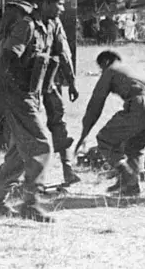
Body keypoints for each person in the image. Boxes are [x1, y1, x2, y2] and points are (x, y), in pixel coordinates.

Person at [0, 0, 66, 222]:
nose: (61, 8)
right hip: (18, 96)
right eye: (57, 3)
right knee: (41, 145)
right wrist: (1, 99)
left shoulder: (50, 26)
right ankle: (31, 203)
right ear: (44, 3)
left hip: (33, 96)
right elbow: (7, 61)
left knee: (19, 153)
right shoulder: (26, 27)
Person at [75, 51, 145, 196]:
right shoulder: (137, 68)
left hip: (141, 105)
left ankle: (127, 175)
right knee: (134, 147)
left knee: (105, 139)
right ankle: (131, 187)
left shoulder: (110, 70)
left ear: (105, 62)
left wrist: (84, 134)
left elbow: (96, 103)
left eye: (101, 67)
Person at [0, 0, 37, 149]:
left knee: (4, 107)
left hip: (10, 66)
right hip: (30, 73)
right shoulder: (38, 14)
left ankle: (4, 146)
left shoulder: (13, 10)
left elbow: (1, 34)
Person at [43, 15, 81, 186]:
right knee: (58, 124)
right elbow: (64, 53)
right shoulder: (53, 21)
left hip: (37, 84)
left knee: (24, 127)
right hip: (48, 83)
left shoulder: (17, 17)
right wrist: (71, 82)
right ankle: (68, 170)